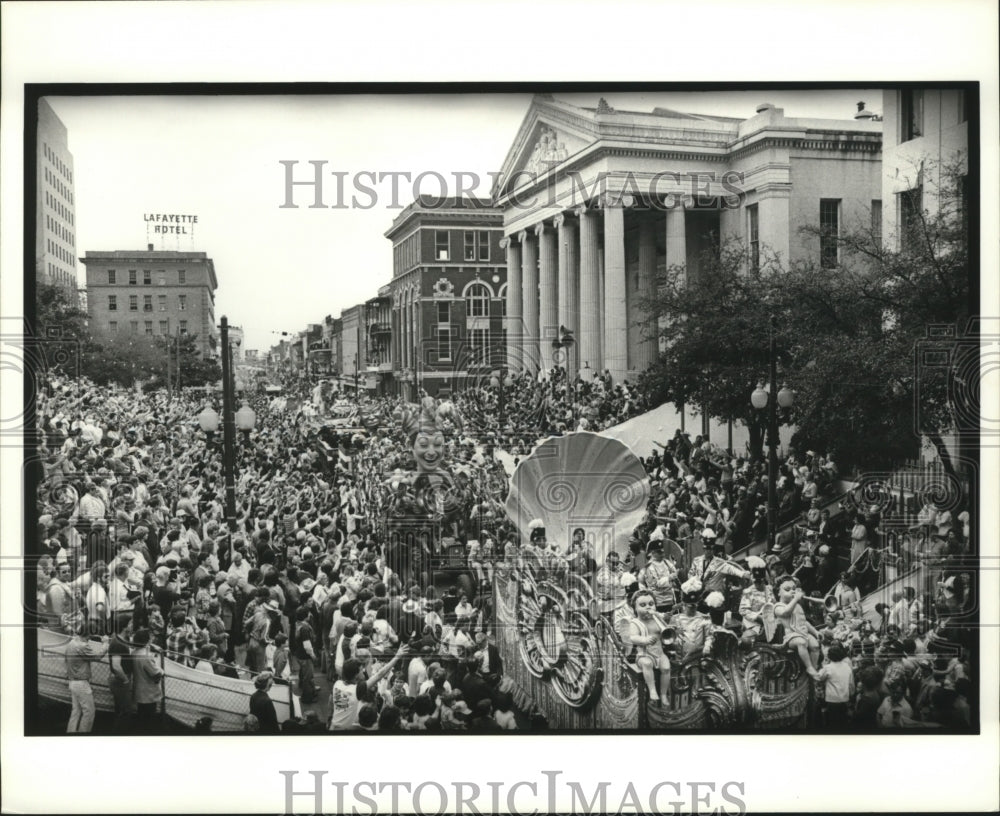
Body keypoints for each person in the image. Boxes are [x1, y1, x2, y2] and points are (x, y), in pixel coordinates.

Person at [330, 643, 407, 731]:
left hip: (333, 726)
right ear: (355, 675)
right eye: (360, 671)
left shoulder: (337, 684)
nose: (363, 671)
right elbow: (379, 675)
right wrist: (397, 656)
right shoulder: (356, 690)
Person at [627, 590, 673, 709]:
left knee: (666, 668)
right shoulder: (635, 622)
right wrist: (645, 640)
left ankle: (663, 694)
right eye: (643, 605)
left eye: (651, 604)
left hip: (660, 653)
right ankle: (652, 690)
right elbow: (633, 637)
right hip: (644, 654)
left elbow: (666, 631)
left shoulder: (657, 619)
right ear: (635, 608)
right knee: (647, 664)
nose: (648, 607)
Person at [64, 621, 109, 733]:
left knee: (76, 711)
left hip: (73, 681)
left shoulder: (72, 642)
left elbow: (66, 660)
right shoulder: (82, 645)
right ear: (89, 634)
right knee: (89, 713)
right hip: (81, 684)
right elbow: (98, 657)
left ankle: (71, 733)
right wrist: (105, 644)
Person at [773, 575, 821, 678]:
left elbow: (805, 622)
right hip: (791, 637)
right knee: (801, 642)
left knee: (815, 646)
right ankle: (809, 667)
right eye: (787, 589)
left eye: (794, 589)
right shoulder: (778, 606)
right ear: (778, 592)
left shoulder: (798, 606)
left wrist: (815, 632)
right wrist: (795, 600)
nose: (792, 592)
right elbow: (786, 613)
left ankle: (814, 667)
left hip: (804, 632)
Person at [130, 628, 164, 732]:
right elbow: (156, 673)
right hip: (149, 693)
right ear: (147, 640)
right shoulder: (146, 656)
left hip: (140, 691)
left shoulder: (135, 652)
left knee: (141, 717)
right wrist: (162, 671)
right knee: (149, 721)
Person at [816, 643, 854, 730]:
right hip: (845, 698)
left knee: (833, 723)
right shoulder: (847, 666)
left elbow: (820, 678)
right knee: (843, 722)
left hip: (832, 700)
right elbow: (851, 684)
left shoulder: (828, 667)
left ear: (829, 656)